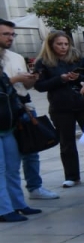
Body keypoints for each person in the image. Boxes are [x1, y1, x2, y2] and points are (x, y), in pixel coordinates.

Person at [32, 30, 84, 187]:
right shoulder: (43, 62)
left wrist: (79, 78)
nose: (63, 47)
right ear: (51, 45)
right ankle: (71, 175)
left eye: (66, 44)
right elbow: (39, 86)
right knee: (66, 142)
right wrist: (59, 79)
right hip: (61, 107)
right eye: (59, 44)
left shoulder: (77, 58)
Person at [0, 18, 57, 201]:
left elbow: (27, 86)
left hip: (23, 105)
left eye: (12, 34)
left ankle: (35, 187)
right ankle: (10, 199)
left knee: (31, 150)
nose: (10, 38)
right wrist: (15, 79)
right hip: (5, 111)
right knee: (9, 160)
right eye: (6, 34)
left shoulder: (16, 57)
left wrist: (31, 79)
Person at [0, 66, 42, 222]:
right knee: (1, 169)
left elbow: (12, 96)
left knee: (12, 168)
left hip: (8, 127)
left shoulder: (3, 75)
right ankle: (4, 210)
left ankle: (18, 204)